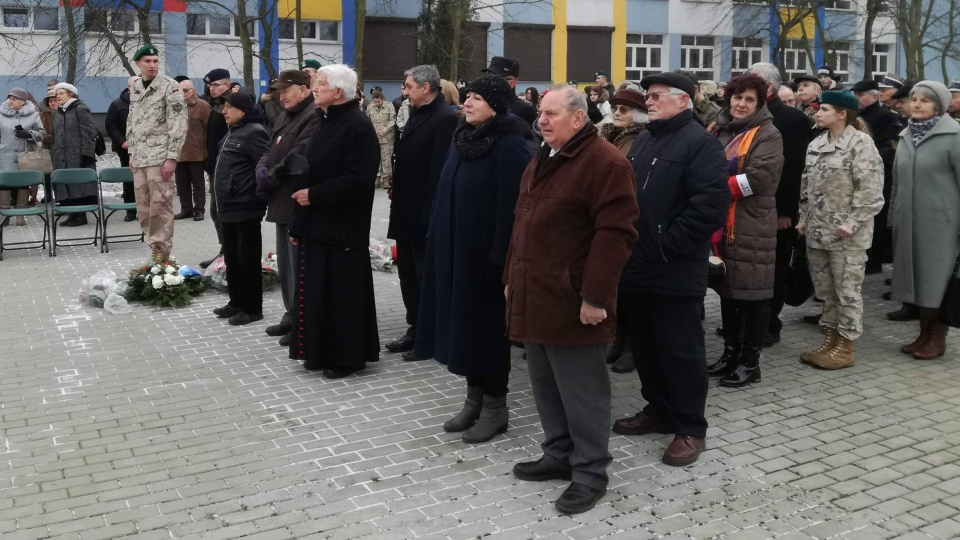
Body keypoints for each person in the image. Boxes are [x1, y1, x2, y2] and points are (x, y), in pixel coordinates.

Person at [506, 84, 638, 515]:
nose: (541, 120)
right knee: (545, 385)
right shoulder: (544, 156)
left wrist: (596, 296)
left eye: (550, 114)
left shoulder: (605, 162)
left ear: (578, 118)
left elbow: (615, 234)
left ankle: (589, 472)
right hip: (536, 293)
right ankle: (559, 454)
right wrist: (511, 276)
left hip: (574, 300)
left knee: (583, 394)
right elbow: (522, 222)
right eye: (540, 113)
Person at [613, 72, 729, 467]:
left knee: (681, 350)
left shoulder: (701, 144)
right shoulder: (645, 140)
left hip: (673, 268)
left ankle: (690, 426)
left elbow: (709, 208)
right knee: (645, 346)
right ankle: (659, 410)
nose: (649, 100)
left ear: (684, 100)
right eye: (648, 95)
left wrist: (665, 247)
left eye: (658, 95)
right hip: (634, 265)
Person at [415, 75, 531, 443]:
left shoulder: (510, 143)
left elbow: (511, 207)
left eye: (477, 98)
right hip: (454, 248)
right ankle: (473, 399)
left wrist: (501, 258)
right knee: (464, 327)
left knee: (487, 332)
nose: (467, 103)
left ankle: (496, 408)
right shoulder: (463, 137)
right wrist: (436, 229)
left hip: (487, 258)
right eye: (467, 97)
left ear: (496, 104)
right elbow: (442, 189)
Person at [286, 64, 381, 379]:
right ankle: (320, 352)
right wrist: (300, 222)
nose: (315, 88)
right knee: (319, 293)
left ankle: (346, 358)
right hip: (317, 224)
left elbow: (359, 180)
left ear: (338, 92)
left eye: (321, 84)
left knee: (342, 295)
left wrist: (315, 195)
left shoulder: (358, 126)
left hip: (343, 227)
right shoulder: (324, 120)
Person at [704, 73, 784, 387]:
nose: (741, 104)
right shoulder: (717, 127)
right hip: (720, 222)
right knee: (729, 289)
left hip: (751, 222)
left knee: (752, 293)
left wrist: (710, 188)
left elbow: (760, 178)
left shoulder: (768, 133)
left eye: (749, 99)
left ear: (759, 103)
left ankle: (750, 363)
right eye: (737, 97)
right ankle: (730, 353)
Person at [797, 91, 884, 370]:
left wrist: (852, 223)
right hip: (818, 233)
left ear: (842, 113)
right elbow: (806, 187)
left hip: (848, 237)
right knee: (826, 292)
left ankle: (845, 347)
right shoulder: (818, 143)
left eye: (823, 109)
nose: (817, 114)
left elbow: (870, 192)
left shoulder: (860, 144)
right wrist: (803, 218)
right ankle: (829, 339)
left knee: (847, 292)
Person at [385, 65, 458, 359]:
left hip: (423, 215)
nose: (404, 91)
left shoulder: (445, 118)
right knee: (408, 275)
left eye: (408, 86)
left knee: (424, 275)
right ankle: (415, 327)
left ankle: (429, 335)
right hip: (406, 209)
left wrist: (430, 216)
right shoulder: (417, 112)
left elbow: (439, 172)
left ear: (425, 88)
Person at [890, 81, 960, 360]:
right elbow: (895, 182)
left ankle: (937, 337)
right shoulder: (907, 134)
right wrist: (893, 216)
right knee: (916, 278)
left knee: (936, 281)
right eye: (914, 99)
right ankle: (923, 331)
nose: (916, 104)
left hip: (943, 226)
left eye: (925, 100)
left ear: (939, 106)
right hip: (908, 221)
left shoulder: (954, 136)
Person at [746, 63, 814, 347]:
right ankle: (747, 324)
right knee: (750, 268)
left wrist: (786, 211)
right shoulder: (749, 115)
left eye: (753, 83)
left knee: (773, 271)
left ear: (768, 87)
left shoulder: (791, 119)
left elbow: (795, 169)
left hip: (777, 210)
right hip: (748, 207)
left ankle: (770, 326)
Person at [254, 69, 318, 348]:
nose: (281, 95)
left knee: (298, 263)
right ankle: (290, 313)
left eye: (286, 90)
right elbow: (269, 148)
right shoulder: (284, 114)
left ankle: (301, 319)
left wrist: (272, 174)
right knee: (285, 263)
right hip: (278, 198)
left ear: (303, 90)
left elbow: (299, 154)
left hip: (294, 199)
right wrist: (261, 169)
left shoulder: (312, 115)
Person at [209, 92, 270, 326]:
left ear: (242, 110)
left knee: (248, 259)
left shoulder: (254, 131)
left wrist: (257, 199)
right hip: (228, 206)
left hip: (245, 206)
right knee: (232, 258)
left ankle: (253, 308)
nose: (224, 111)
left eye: (228, 107)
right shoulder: (233, 131)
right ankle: (236, 302)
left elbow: (262, 168)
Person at [599, 87, 648, 374]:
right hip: (609, 212)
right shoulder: (607, 132)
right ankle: (618, 339)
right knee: (616, 286)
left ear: (638, 115)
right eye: (615, 108)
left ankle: (631, 346)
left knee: (629, 288)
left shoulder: (639, 139)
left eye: (624, 109)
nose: (617, 113)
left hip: (630, 218)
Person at [127, 45, 188, 260]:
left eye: (155, 61)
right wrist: (132, 152)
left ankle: (162, 258)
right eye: (147, 61)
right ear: (138, 64)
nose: (152, 65)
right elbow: (132, 120)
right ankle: (154, 252)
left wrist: (171, 157)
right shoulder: (135, 87)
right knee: (143, 208)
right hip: (141, 157)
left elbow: (178, 124)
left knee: (160, 207)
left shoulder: (170, 87)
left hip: (160, 157)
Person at [851, 79, 902, 276]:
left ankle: (874, 260)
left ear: (874, 97)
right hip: (861, 169)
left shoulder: (884, 117)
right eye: (856, 95)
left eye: (861, 95)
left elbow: (883, 146)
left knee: (876, 219)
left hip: (877, 172)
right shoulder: (859, 115)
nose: (858, 98)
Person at [51, 82, 99, 227]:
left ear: (71, 94)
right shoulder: (56, 113)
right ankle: (72, 215)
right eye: (57, 94)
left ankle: (81, 216)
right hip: (61, 156)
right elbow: (54, 135)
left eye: (62, 93)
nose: (58, 96)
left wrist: (87, 153)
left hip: (78, 155)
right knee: (67, 185)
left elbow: (89, 131)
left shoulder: (80, 109)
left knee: (79, 185)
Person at [200, 68, 232, 268]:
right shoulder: (216, 105)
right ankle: (225, 250)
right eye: (210, 85)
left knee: (221, 211)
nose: (212, 89)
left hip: (227, 170)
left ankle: (228, 252)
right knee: (215, 212)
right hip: (215, 168)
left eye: (216, 85)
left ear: (227, 85)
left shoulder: (232, 105)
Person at [0, 87, 44, 226]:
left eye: (15, 99)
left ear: (23, 102)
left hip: (25, 155)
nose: (10, 101)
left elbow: (42, 133)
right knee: (4, 183)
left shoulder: (33, 115)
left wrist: (29, 134)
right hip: (5, 155)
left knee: (23, 183)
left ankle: (21, 214)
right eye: (10, 98)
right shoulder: (1, 114)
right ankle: (5, 214)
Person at [174, 79, 211, 222]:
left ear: (193, 90)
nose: (183, 93)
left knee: (198, 184)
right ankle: (186, 209)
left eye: (186, 90)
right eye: (179, 90)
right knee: (182, 184)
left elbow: (208, 130)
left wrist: (207, 151)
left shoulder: (203, 106)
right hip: (179, 152)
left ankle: (199, 210)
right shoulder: (175, 105)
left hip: (197, 152)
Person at [104, 77, 138, 221]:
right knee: (128, 178)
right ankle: (130, 210)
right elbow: (110, 125)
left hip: (146, 147)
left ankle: (145, 208)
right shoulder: (117, 104)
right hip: (125, 148)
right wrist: (122, 141)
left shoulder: (147, 101)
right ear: (129, 87)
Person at [481, 56, 538, 128]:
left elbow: (527, 137)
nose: (489, 81)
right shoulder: (483, 104)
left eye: (495, 78)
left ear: (511, 83)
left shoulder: (524, 110)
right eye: (488, 76)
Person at [365, 90, 396, 189]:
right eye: (375, 101)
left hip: (386, 137)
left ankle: (386, 179)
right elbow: (366, 121)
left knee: (386, 159)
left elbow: (393, 120)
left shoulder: (389, 106)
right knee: (375, 158)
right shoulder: (369, 107)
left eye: (379, 101)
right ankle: (376, 178)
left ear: (382, 99)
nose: (377, 103)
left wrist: (385, 130)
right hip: (374, 138)